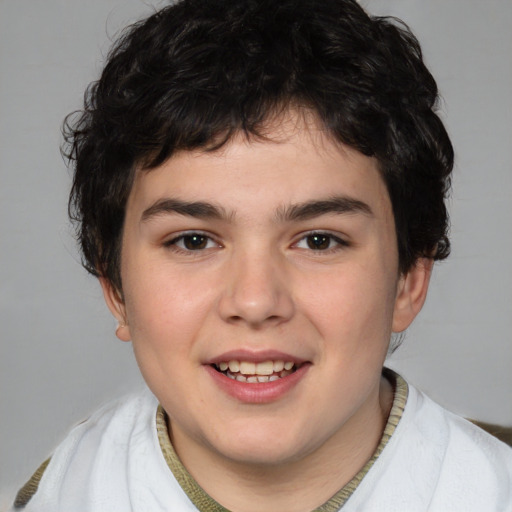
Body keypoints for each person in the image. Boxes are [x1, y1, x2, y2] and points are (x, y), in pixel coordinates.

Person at [11, 0, 512, 510]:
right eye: (193, 240)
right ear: (114, 285)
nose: (254, 302)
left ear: (409, 278)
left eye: (319, 240)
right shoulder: (69, 489)